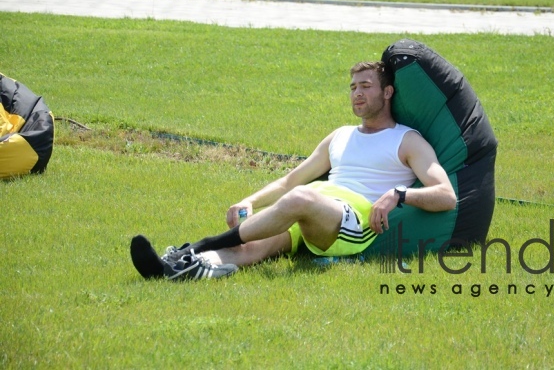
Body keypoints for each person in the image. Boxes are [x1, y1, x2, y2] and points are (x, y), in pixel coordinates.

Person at [130, 61, 457, 280]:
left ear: (387, 93)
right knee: (259, 246)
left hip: (353, 223)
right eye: (353, 87)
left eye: (366, 86)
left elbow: (446, 196)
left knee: (302, 196)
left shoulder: (407, 140)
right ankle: (179, 269)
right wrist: (250, 201)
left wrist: (398, 195)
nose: (357, 93)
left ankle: (198, 246)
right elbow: (290, 179)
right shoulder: (340, 136)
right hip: (313, 209)